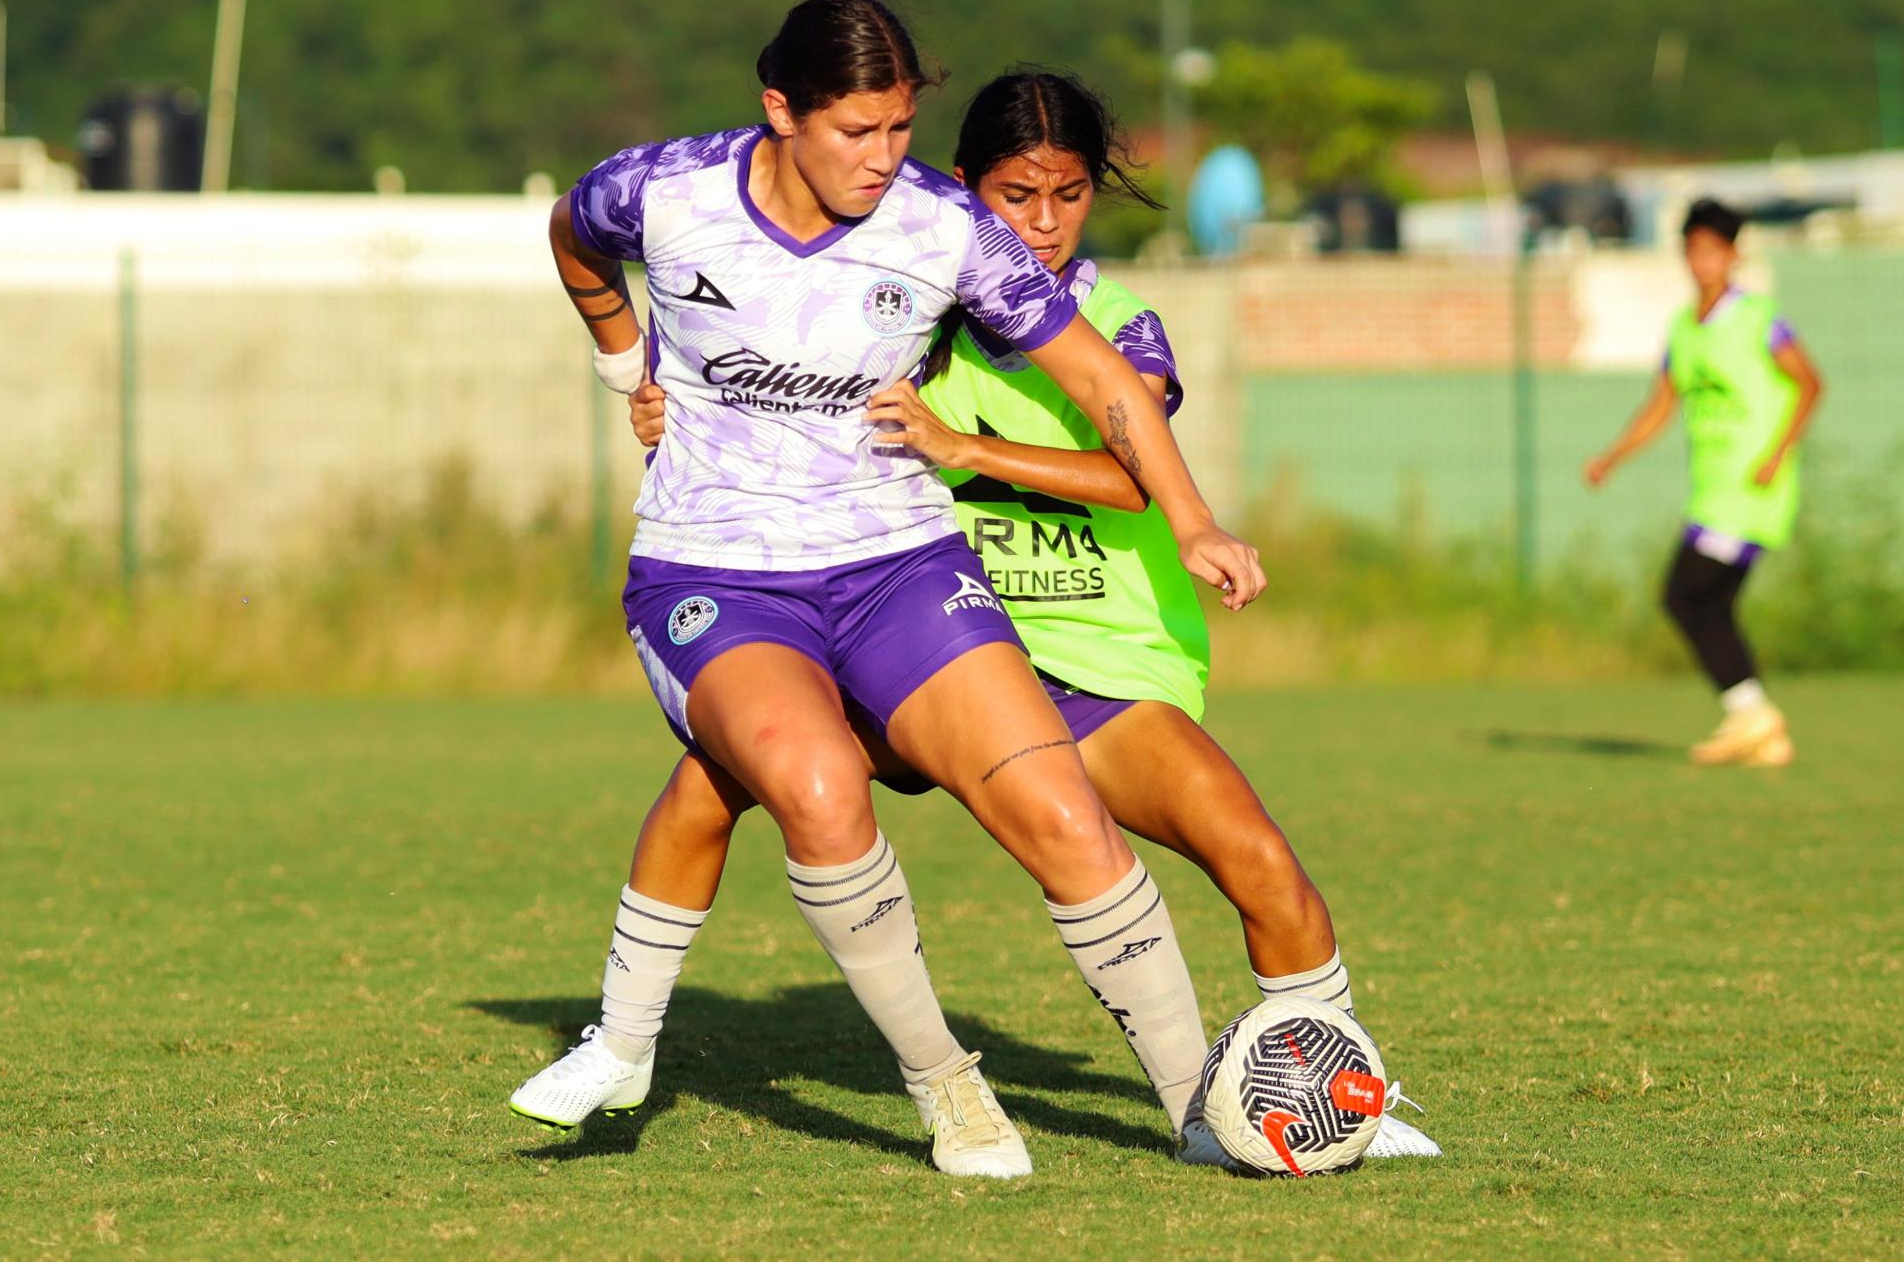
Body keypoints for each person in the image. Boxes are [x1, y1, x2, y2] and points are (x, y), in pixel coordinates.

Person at [534, 67, 1439, 1165]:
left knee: (1249, 854)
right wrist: (654, 382)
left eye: (1067, 197)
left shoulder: (1103, 316)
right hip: (906, 633)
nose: (1042, 224)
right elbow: (757, 351)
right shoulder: (909, 298)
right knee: (723, 783)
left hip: (1087, 663)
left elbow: (1125, 464)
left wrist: (995, 458)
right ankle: (623, 1040)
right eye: (1017, 197)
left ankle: (1334, 1092)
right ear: (971, 190)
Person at [1586, 198, 1823, 766]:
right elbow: (1661, 403)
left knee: (1685, 593)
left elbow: (1810, 384)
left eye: (1713, 251)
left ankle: (1752, 714)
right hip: (1712, 490)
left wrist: (1776, 454)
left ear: (1733, 255)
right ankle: (1762, 732)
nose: (1702, 262)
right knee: (1709, 604)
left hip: (1751, 491)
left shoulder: (1760, 317)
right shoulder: (1683, 329)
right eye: (1693, 251)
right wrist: (1614, 455)